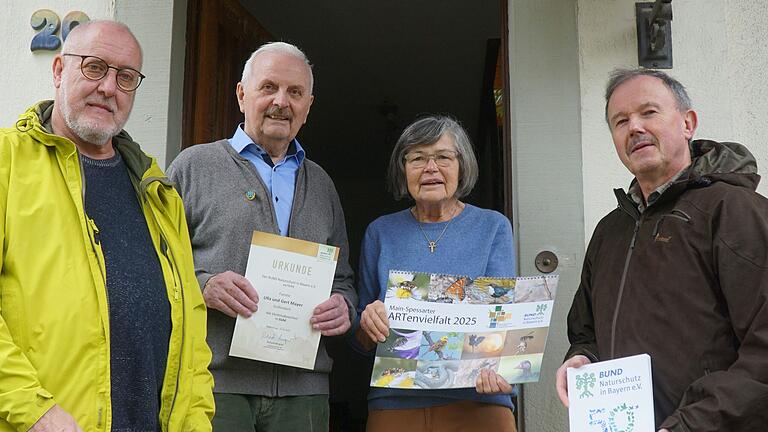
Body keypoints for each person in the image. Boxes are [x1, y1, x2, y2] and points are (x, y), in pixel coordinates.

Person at [0, 20, 214, 431]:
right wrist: (36, 412)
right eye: (95, 67)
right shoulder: (9, 162)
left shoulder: (157, 191)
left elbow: (193, 340)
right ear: (60, 70)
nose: (108, 87)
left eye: (126, 77)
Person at [556, 68, 768, 431]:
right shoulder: (611, 230)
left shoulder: (734, 211)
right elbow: (585, 328)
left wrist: (691, 424)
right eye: (620, 121)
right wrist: (581, 358)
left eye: (648, 112)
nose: (634, 127)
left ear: (688, 123)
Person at [167, 42, 357, 432]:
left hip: (303, 394)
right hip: (215, 384)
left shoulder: (321, 184)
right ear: (242, 94)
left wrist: (345, 307)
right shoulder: (193, 166)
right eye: (268, 87)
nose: (280, 102)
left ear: (308, 105)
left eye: (295, 92)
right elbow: (157, 261)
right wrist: (204, 286)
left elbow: (344, 279)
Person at [354, 115, 518, 432]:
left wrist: (502, 367)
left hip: (479, 404)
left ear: (462, 165)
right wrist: (367, 321)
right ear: (403, 169)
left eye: (443, 157)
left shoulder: (493, 227)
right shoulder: (380, 232)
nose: (430, 168)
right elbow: (360, 341)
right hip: (394, 404)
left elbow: (503, 318)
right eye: (417, 158)